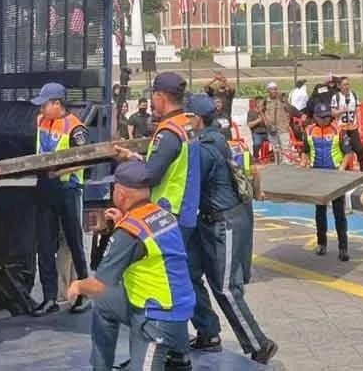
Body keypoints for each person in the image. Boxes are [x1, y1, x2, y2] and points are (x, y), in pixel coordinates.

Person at [67, 161, 194, 371]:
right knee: (104, 304)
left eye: (114, 188)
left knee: (97, 292)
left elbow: (99, 284)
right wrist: (123, 223)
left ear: (122, 195)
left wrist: (78, 286)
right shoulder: (160, 213)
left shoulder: (129, 232)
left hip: (157, 315)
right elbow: (146, 243)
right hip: (176, 303)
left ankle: (169, 352)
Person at [185, 95, 278, 363]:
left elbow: (189, 183)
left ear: (197, 119)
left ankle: (259, 344)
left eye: (188, 117)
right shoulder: (215, 137)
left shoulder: (205, 148)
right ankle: (208, 332)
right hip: (213, 219)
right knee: (189, 274)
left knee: (225, 288)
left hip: (223, 221)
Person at [30, 82, 92, 317]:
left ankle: (84, 295)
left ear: (57, 103)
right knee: (44, 244)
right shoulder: (41, 120)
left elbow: (85, 159)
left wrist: (60, 170)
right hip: (45, 186)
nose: (42, 109)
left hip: (68, 188)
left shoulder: (76, 128)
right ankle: (49, 297)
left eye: (45, 104)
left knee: (75, 243)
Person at [115, 73, 200, 235]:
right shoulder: (185, 124)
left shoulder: (168, 132)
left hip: (170, 211)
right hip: (186, 207)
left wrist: (128, 166)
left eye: (153, 95)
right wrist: (133, 156)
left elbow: (150, 175)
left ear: (160, 97)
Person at [300, 103, 351, 261]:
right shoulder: (308, 131)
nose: (326, 119)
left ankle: (343, 248)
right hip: (317, 175)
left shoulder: (339, 130)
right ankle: (322, 243)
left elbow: (349, 153)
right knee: (320, 212)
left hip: (335, 175)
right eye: (322, 117)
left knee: (339, 213)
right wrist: (304, 164)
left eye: (328, 116)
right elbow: (305, 152)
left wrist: (342, 169)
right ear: (315, 117)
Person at [331, 77, 363, 171]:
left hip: (353, 127)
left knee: (359, 148)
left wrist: (360, 125)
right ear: (339, 86)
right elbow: (333, 113)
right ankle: (346, 168)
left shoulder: (353, 95)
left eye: (348, 84)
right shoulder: (336, 97)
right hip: (342, 128)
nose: (347, 87)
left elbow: (357, 110)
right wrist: (341, 111)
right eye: (344, 85)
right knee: (345, 149)